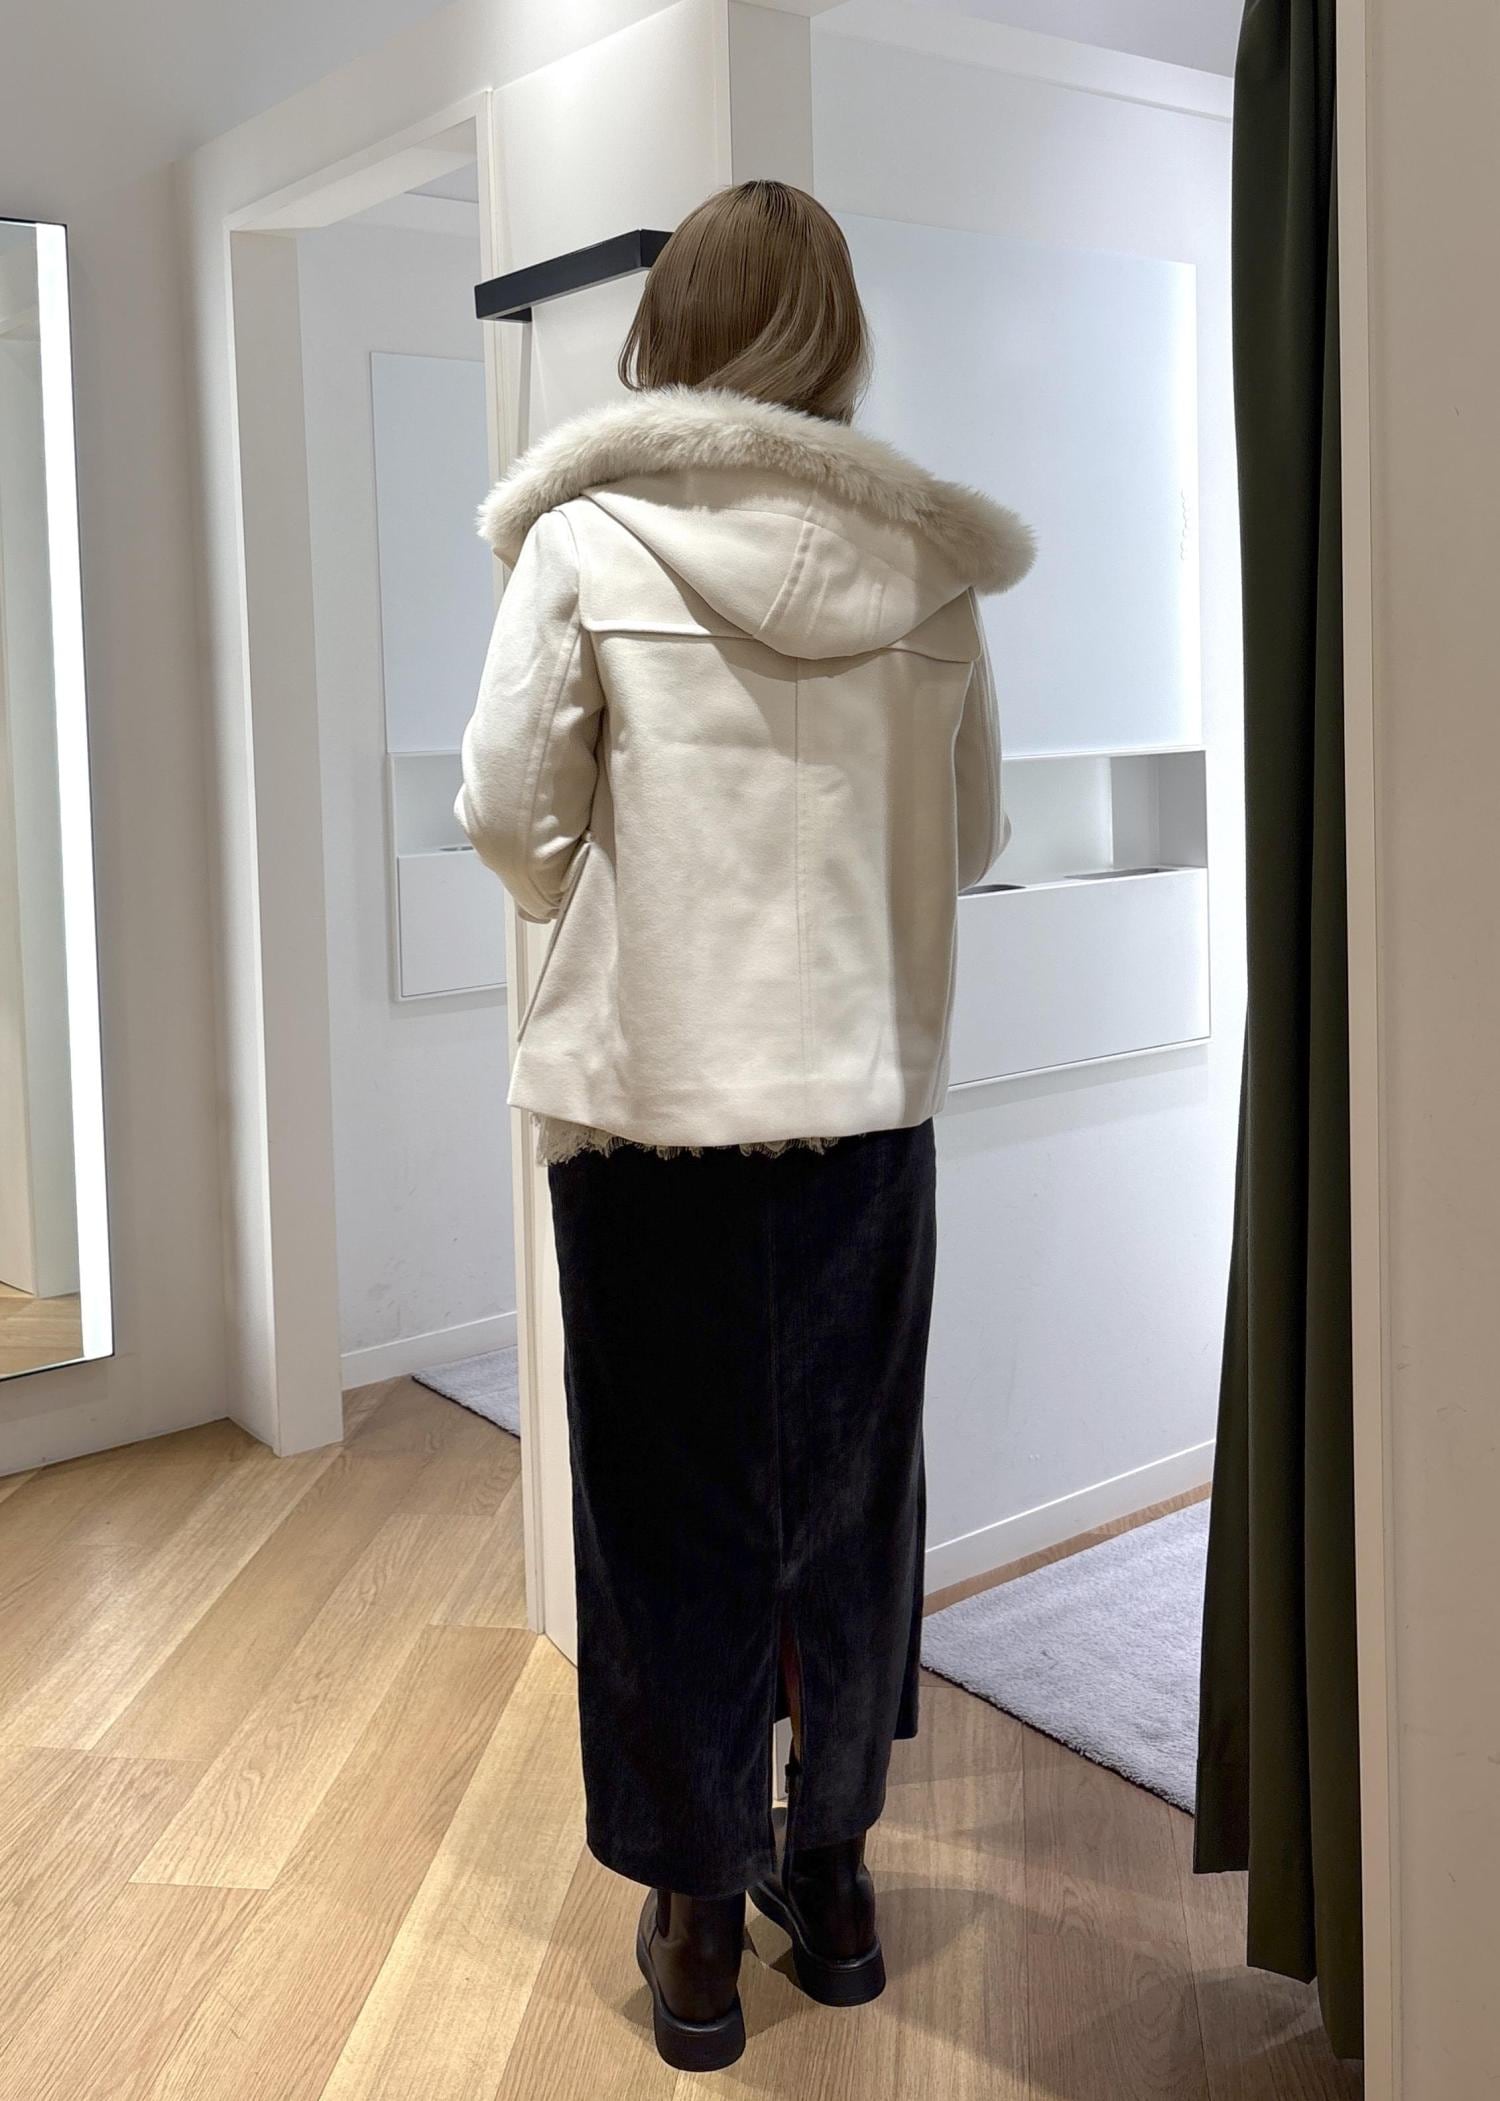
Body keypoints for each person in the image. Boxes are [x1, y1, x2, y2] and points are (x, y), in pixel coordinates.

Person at [457, 178, 1032, 2073]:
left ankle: (701, 1921)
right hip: (865, 1115)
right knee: (851, 1505)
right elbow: (973, 835)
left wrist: (620, 888)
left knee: (663, 1515)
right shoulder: (932, 569)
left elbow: (510, 816)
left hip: (651, 1114)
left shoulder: (587, 538)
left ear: (671, 331)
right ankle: (837, 1882)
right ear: (838, 337)